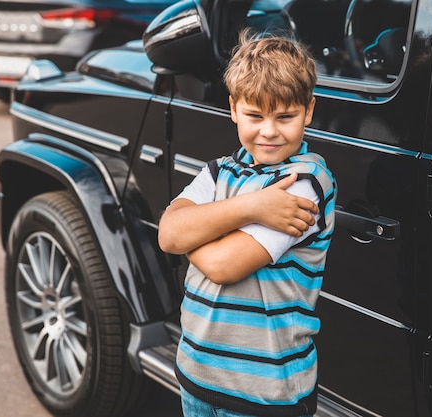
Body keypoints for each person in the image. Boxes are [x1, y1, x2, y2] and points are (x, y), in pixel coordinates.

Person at [158, 31, 337, 417]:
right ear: (234, 109)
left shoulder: (305, 184)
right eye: (255, 115)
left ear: (308, 111)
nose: (269, 131)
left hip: (263, 395)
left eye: (285, 116)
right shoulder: (220, 171)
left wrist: (195, 227)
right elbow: (167, 235)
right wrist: (253, 206)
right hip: (196, 376)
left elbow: (223, 265)